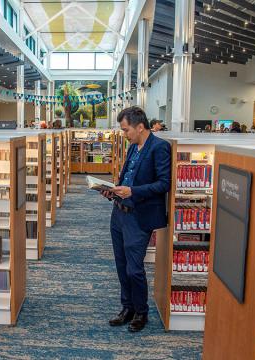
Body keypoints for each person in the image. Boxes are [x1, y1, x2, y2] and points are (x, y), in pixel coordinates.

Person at [100, 106, 171, 333]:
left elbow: (163, 183)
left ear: (140, 127)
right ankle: (127, 308)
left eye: (126, 129)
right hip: (119, 213)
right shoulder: (133, 147)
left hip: (139, 217)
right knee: (121, 266)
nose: (124, 134)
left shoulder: (160, 148)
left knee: (134, 269)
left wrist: (133, 192)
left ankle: (141, 311)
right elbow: (127, 177)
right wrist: (113, 190)